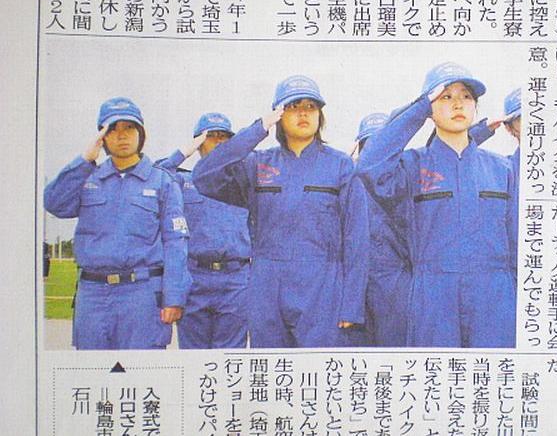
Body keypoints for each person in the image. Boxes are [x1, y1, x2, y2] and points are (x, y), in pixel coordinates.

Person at [193, 76, 369, 348]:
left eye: (311, 107)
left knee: (317, 368)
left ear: (320, 115)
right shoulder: (257, 165)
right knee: (273, 367)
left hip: (322, 287)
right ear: (278, 115)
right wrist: (258, 129)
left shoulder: (340, 166)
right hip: (267, 287)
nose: (303, 113)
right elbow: (204, 177)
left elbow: (357, 238)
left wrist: (352, 304)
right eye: (293, 106)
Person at [357, 63, 518, 348]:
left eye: (466, 96)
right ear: (430, 109)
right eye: (446, 96)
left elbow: (517, 241)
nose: (458, 103)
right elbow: (369, 166)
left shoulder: (502, 169)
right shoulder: (411, 166)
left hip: (495, 295)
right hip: (433, 295)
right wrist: (419, 110)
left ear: (475, 107)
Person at [44, 97, 191, 350]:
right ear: (102, 136)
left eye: (129, 128)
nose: (122, 135)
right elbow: (54, 203)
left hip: (141, 295)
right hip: (92, 295)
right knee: (92, 369)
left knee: (141, 369)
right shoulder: (88, 178)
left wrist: (174, 297)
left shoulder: (162, 182)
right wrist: (84, 160)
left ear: (141, 134)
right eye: (113, 129)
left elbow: (176, 243)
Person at [156, 113, 250, 349]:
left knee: (231, 356)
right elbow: (155, 176)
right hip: (195, 277)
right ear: (198, 142)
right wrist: (183, 152)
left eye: (224, 137)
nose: (218, 142)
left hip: (236, 278)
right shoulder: (183, 181)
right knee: (194, 355)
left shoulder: (244, 181)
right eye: (211, 136)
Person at [352, 113, 412, 347]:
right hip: (355, 282)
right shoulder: (346, 182)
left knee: (394, 348)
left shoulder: (405, 180)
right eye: (367, 145)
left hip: (396, 280)